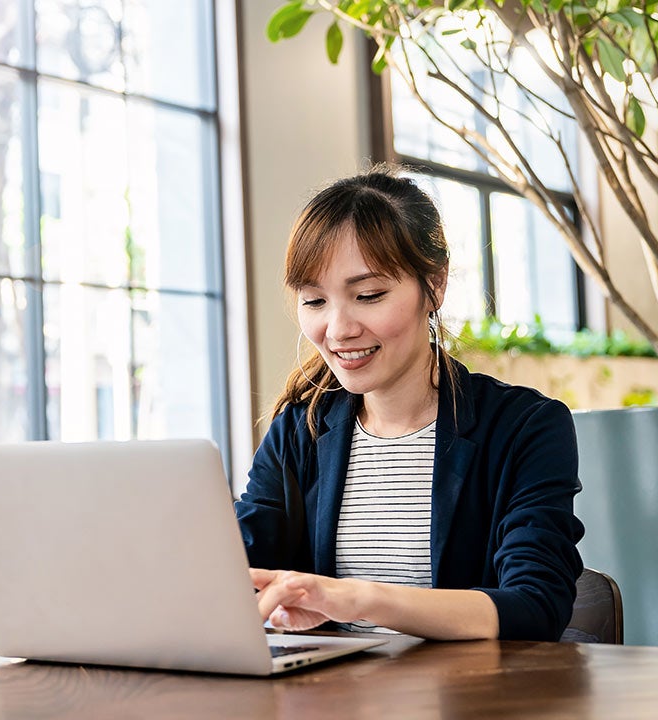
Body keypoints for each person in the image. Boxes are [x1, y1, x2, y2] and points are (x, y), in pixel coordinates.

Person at [236, 166, 584, 641]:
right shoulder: (301, 429)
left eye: (368, 295)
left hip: (467, 687)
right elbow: (234, 566)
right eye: (314, 301)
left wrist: (358, 599)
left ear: (434, 285)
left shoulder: (524, 427)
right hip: (333, 687)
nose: (338, 330)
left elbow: (535, 605)